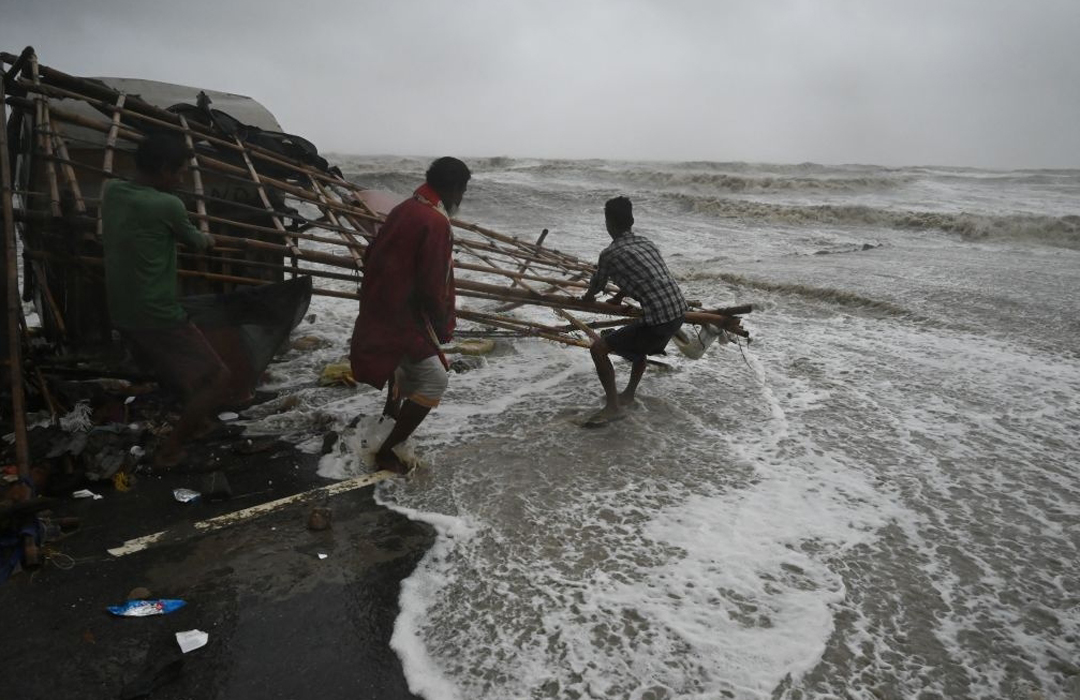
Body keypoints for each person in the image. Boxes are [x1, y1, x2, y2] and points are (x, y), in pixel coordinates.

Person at [102, 132, 229, 468]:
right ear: (161, 169)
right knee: (217, 376)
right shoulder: (167, 204)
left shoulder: (112, 192)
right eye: (178, 172)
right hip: (156, 311)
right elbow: (197, 241)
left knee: (181, 370)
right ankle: (171, 449)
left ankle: (199, 421)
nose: (181, 179)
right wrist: (211, 239)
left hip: (122, 310)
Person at [349, 157, 470, 473]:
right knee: (435, 380)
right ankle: (387, 451)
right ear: (455, 188)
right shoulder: (434, 220)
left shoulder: (404, 208)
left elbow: (371, 253)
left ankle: (389, 417)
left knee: (401, 366)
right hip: (403, 317)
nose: (461, 198)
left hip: (381, 307)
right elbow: (432, 282)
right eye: (463, 190)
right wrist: (441, 320)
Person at [581, 196, 688, 424]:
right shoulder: (646, 243)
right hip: (679, 311)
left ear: (609, 222)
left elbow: (597, 286)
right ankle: (628, 394)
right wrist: (619, 297)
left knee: (598, 349)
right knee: (638, 342)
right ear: (631, 220)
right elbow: (646, 277)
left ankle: (613, 408)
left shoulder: (609, 254)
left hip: (658, 320)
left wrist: (586, 299)